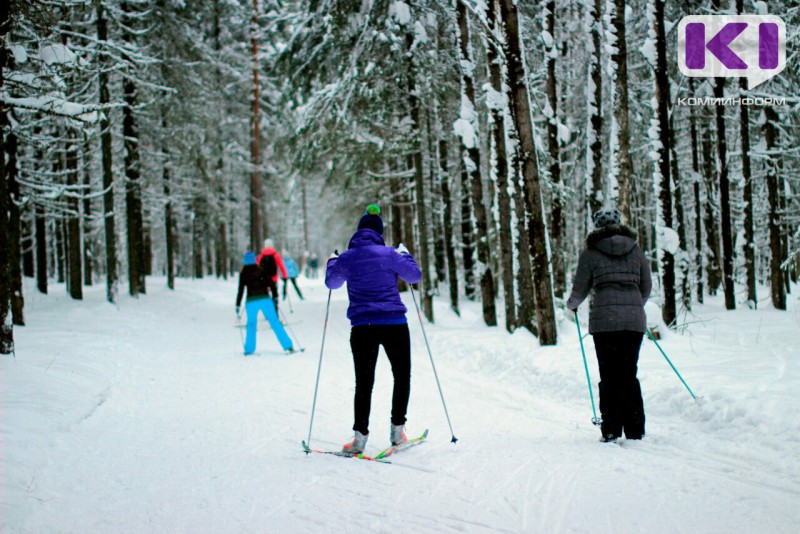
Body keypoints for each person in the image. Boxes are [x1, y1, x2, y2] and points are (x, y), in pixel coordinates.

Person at [325, 205, 422, 454]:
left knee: (364, 382)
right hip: (394, 325)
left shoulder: (347, 257)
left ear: (358, 232)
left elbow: (332, 282)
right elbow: (414, 276)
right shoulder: (390, 254)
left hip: (363, 327)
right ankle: (398, 433)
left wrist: (332, 262)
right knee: (401, 376)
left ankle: (359, 439)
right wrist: (406, 255)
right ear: (380, 233)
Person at [566, 208, 652, 442]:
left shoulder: (591, 253)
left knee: (609, 375)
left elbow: (580, 287)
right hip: (634, 321)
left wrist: (572, 304)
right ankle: (636, 429)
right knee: (628, 373)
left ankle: (612, 429)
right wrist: (634, 305)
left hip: (605, 323)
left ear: (596, 226)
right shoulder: (636, 250)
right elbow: (646, 286)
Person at [236, 251, 294, 355]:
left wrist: (238, 304)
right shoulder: (261, 270)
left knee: (251, 324)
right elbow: (271, 283)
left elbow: (241, 290)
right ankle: (288, 345)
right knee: (275, 322)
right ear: (254, 259)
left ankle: (249, 349)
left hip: (251, 301)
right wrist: (275, 296)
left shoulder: (244, 272)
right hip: (265, 299)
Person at [256, 239, 288, 312]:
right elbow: (281, 266)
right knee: (274, 294)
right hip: (273, 278)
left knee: (265, 295)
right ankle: (275, 310)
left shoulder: (261, 256)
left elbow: (257, 266)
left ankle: (267, 311)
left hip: (263, 279)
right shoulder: (276, 255)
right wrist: (285, 276)